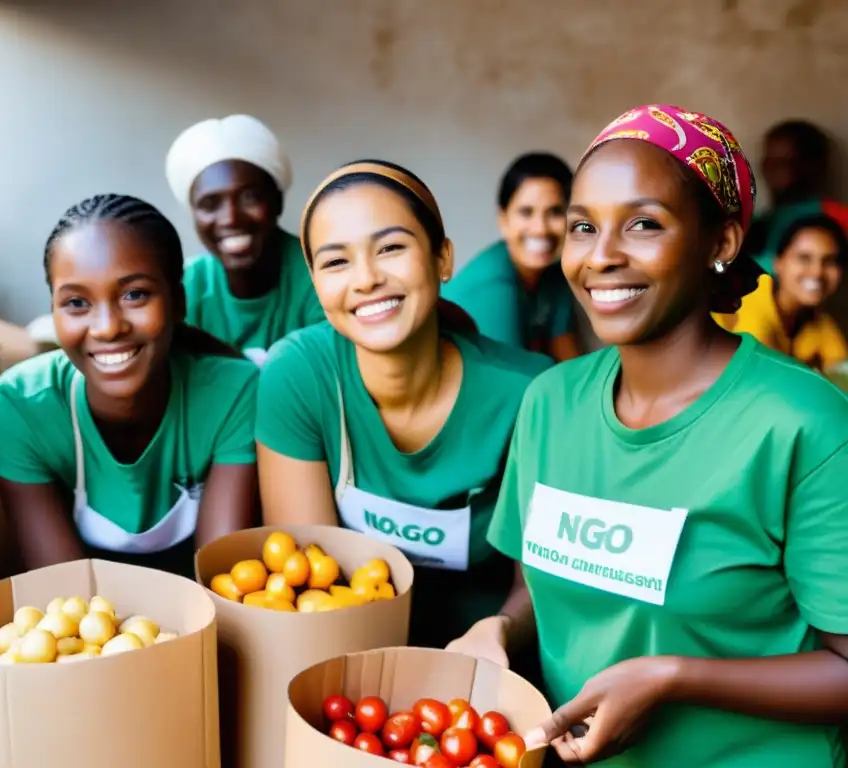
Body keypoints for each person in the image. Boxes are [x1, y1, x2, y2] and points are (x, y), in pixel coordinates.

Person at [449, 105, 848, 767]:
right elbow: (532, 587)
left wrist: (672, 678)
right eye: (583, 226)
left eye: (643, 224)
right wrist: (497, 629)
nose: (602, 255)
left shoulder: (802, 422)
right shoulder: (551, 402)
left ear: (720, 241)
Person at [255, 160, 552, 648]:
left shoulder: (531, 395)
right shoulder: (298, 376)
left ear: (443, 258)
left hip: (490, 677)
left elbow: (541, 586)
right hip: (351, 667)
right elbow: (309, 575)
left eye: (391, 248)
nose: (366, 278)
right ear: (315, 283)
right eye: (336, 262)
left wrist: (498, 634)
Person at [0, 194, 260, 577]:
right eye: (77, 302)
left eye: (134, 295)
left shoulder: (233, 394)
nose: (108, 327)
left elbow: (224, 581)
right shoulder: (19, 408)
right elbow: (65, 600)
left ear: (178, 301)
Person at [165, 115, 326, 366]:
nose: (230, 218)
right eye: (210, 204)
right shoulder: (186, 286)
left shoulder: (323, 274)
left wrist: (205, 346)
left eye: (249, 197)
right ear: (194, 215)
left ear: (277, 201)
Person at [442, 153, 580, 361]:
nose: (540, 229)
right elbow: (513, 380)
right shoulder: (494, 286)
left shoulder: (556, 272)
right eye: (526, 212)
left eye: (555, 212)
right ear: (503, 219)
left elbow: (568, 355)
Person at [716, 213, 848, 373]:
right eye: (804, 258)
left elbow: (842, 374)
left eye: (829, 260)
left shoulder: (818, 322)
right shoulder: (748, 308)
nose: (817, 272)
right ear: (778, 262)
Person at [743, 119, 845, 272]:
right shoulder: (756, 223)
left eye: (785, 163)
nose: (773, 171)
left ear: (812, 166)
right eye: (769, 162)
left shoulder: (837, 217)